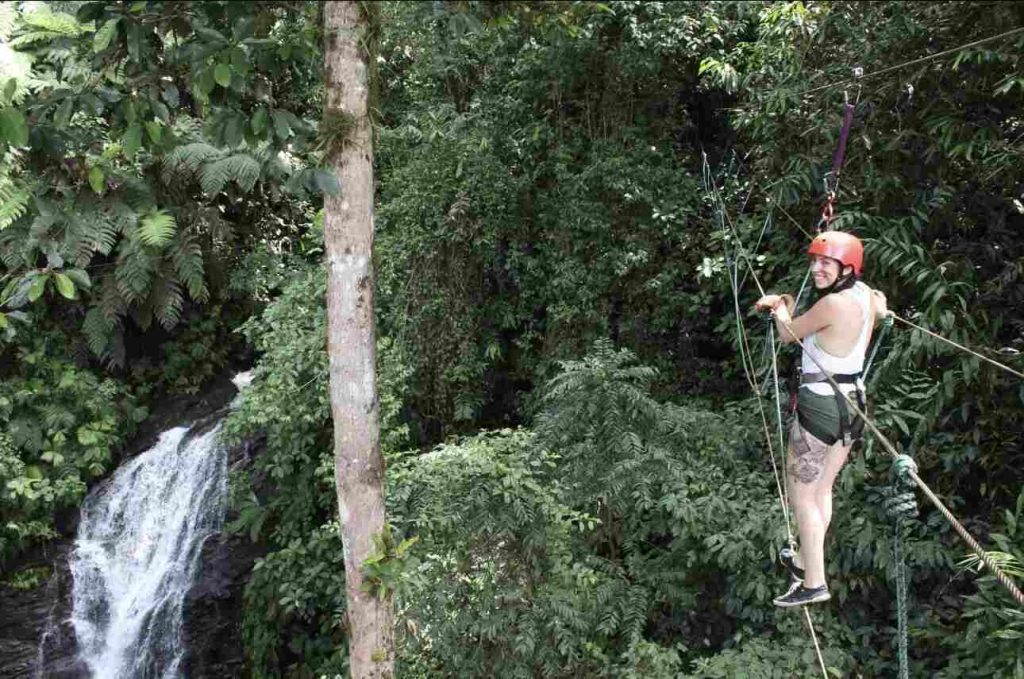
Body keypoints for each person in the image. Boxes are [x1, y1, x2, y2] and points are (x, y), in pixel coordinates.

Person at [754, 231, 889, 608]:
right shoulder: (864, 295)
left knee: (802, 498)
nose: (817, 268)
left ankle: (814, 582)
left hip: (821, 410)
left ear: (846, 268)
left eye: (826, 263)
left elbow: (787, 334)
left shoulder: (833, 305)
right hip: (852, 406)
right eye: (815, 261)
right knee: (822, 490)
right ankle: (804, 561)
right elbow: (878, 306)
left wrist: (780, 304)